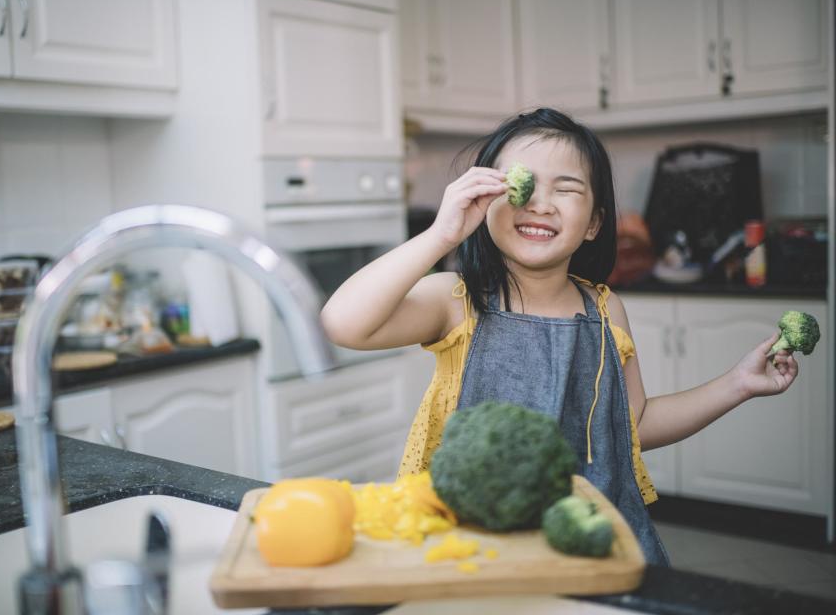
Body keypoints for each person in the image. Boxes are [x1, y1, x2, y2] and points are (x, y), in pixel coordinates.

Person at [320, 108, 800, 565]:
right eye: (520, 183)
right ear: (484, 202)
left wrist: (738, 384)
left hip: (590, 532)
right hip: (473, 535)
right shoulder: (455, 300)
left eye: (566, 188)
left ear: (594, 223)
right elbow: (344, 323)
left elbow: (631, 426)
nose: (539, 202)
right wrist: (441, 236)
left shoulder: (606, 309)